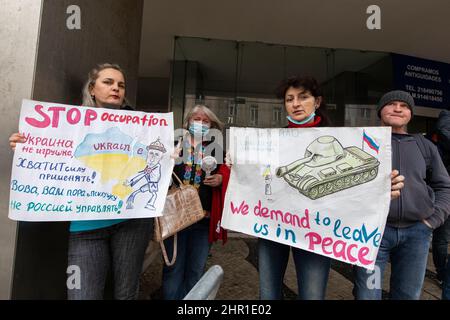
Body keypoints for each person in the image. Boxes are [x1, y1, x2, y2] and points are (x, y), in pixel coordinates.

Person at [9, 63, 153, 300]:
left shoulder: (141, 126)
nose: (116, 88)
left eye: (121, 85)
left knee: (127, 294)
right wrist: (26, 147)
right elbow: (50, 152)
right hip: (86, 226)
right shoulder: (68, 125)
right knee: (83, 295)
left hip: (131, 222)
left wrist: (168, 155)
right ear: (92, 89)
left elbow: (152, 162)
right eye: (108, 82)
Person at [258, 76, 405, 300]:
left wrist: (382, 188)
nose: (296, 103)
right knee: (268, 295)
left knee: (313, 295)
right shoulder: (271, 140)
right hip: (274, 224)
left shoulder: (342, 137)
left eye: (303, 97)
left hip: (316, 229)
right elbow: (258, 180)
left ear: (317, 102)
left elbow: (355, 193)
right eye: (290, 99)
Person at [353, 90, 450, 300]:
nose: (398, 108)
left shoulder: (425, 146)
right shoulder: (361, 142)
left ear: (410, 114)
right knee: (369, 293)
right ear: (380, 110)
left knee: (407, 294)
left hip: (416, 236)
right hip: (373, 237)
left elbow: (444, 186)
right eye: (392, 104)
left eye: (404, 106)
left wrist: (432, 220)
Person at [161, 104, 230, 300]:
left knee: (195, 272)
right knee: (172, 270)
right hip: (175, 221)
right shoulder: (174, 144)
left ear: (212, 125)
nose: (200, 123)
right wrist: (167, 162)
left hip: (203, 221)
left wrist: (220, 179)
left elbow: (227, 173)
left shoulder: (217, 149)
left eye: (205, 121)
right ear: (188, 122)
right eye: (196, 119)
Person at [430, 109, 450, 299]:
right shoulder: (446, 118)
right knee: (442, 237)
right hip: (445, 191)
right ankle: (442, 272)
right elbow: (444, 130)